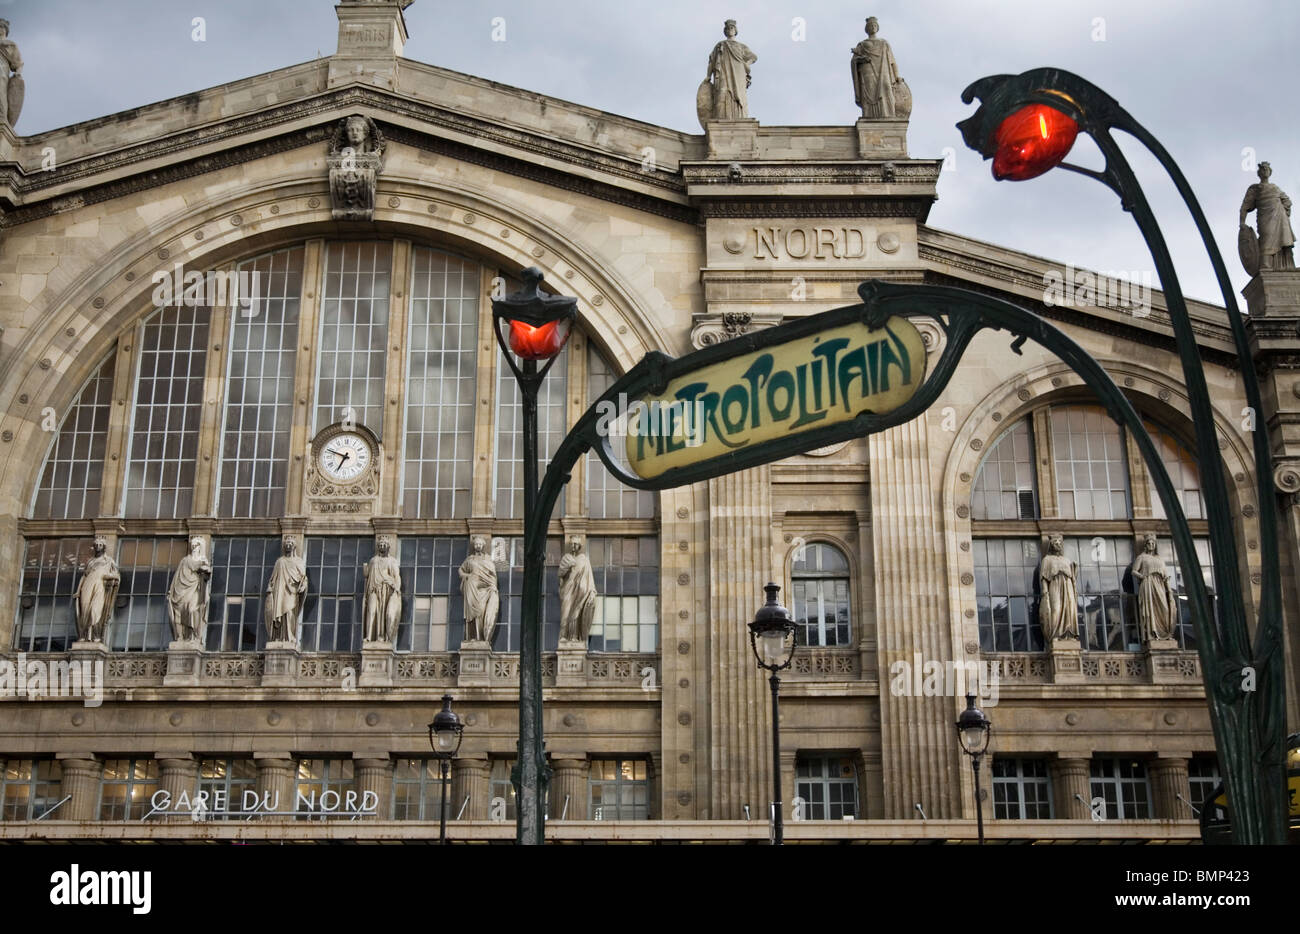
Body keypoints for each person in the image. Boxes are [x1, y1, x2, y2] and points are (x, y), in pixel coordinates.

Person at [1240, 162, 1295, 270]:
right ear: (1259, 173)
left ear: (1270, 172)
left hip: (1280, 217)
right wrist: (1242, 222)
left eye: (1267, 169)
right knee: (1266, 238)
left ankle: (1287, 265)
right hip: (1264, 217)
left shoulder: (1275, 188)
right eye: (1263, 169)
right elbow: (1245, 206)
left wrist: (1283, 211)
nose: (1265, 171)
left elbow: (1287, 201)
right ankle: (1265, 263)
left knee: (1284, 239)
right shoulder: (1255, 189)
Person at [1130, 534, 1178, 643]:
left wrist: (1169, 589)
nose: (1151, 545)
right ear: (1146, 545)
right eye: (1149, 543)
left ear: (1155, 545)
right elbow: (1134, 571)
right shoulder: (1142, 557)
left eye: (1153, 543)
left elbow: (1165, 576)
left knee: (1164, 609)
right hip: (1148, 584)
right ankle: (1153, 633)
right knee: (1150, 609)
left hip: (1160, 584)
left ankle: (1165, 633)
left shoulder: (1160, 559)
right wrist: (1142, 576)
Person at [851, 17, 901, 118]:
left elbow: (892, 62)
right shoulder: (862, 44)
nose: (872, 27)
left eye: (874, 25)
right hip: (867, 71)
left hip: (883, 71)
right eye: (870, 26)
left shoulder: (884, 43)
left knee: (886, 88)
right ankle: (868, 116)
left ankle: (888, 115)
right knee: (869, 91)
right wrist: (862, 59)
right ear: (867, 29)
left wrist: (897, 76)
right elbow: (854, 60)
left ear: (877, 28)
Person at [706, 20, 757, 120]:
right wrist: (708, 76)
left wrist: (746, 64)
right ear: (725, 31)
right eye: (728, 28)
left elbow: (753, 57)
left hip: (738, 73)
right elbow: (712, 61)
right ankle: (721, 117)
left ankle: (740, 117)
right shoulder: (720, 45)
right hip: (724, 73)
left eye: (732, 28)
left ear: (735, 30)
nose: (730, 30)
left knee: (739, 95)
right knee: (722, 93)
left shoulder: (741, 46)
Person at [167, 537, 212, 643]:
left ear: (200, 547)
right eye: (193, 545)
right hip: (182, 589)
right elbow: (177, 575)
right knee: (179, 613)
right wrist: (172, 590)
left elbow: (206, 574)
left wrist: (205, 569)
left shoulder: (203, 561)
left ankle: (194, 636)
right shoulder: (185, 560)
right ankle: (181, 637)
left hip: (195, 587)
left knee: (192, 610)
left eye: (196, 546)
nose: (194, 548)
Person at [75, 537, 119, 644]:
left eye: (100, 545)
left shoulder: (108, 561)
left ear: (104, 547)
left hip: (100, 585)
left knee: (95, 610)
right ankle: (84, 635)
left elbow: (116, 576)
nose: (98, 547)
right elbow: (84, 576)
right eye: (96, 545)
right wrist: (78, 590)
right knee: (84, 610)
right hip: (87, 584)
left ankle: (95, 635)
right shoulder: (90, 562)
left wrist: (106, 575)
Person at [265, 538, 308, 645]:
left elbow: (303, 577)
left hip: (292, 591)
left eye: (290, 543)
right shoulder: (280, 561)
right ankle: (279, 637)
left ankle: (289, 636)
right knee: (279, 613)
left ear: (294, 546)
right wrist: (270, 587)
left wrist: (303, 585)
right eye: (286, 543)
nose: (288, 545)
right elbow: (273, 578)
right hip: (280, 591)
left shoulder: (298, 561)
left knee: (290, 613)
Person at [459, 536, 500, 646]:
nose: (478, 546)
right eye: (476, 544)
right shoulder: (470, 559)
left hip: (485, 590)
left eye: (480, 544)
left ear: (483, 546)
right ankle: (473, 638)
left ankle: (482, 638)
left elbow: (492, 575)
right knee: (473, 614)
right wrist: (467, 576)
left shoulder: (487, 559)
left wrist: (492, 587)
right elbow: (461, 570)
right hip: (472, 590)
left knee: (482, 612)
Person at [1038, 535, 1079, 642]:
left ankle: (1069, 635)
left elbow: (1072, 577)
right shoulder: (1046, 560)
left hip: (1067, 585)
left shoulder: (1066, 560)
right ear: (1051, 545)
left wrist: (1075, 571)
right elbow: (1043, 577)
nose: (1058, 544)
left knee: (1069, 608)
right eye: (1056, 543)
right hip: (1055, 585)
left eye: (1060, 543)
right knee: (1055, 609)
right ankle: (1055, 635)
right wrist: (1045, 591)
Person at [362, 537, 402, 643]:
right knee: (372, 611)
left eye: (384, 544)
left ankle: (383, 636)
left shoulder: (392, 561)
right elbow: (368, 576)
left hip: (386, 591)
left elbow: (396, 576)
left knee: (386, 613)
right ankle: (369, 637)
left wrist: (396, 588)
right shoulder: (373, 561)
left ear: (388, 546)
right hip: (374, 590)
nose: (382, 546)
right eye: (380, 544)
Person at [558, 539, 597, 644]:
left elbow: (590, 577)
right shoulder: (566, 558)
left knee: (577, 613)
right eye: (572, 544)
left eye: (576, 544)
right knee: (565, 613)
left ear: (579, 546)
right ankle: (563, 636)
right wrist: (567, 567)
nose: (574, 546)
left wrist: (592, 591)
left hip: (580, 592)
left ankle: (574, 637)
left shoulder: (584, 559)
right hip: (568, 590)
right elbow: (560, 575)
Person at [0, 19, 23, 128]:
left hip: (2, 71)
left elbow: (18, 63)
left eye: (1, 27)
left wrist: (18, 74)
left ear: (4, 30)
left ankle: (2, 118)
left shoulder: (9, 44)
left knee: (0, 93)